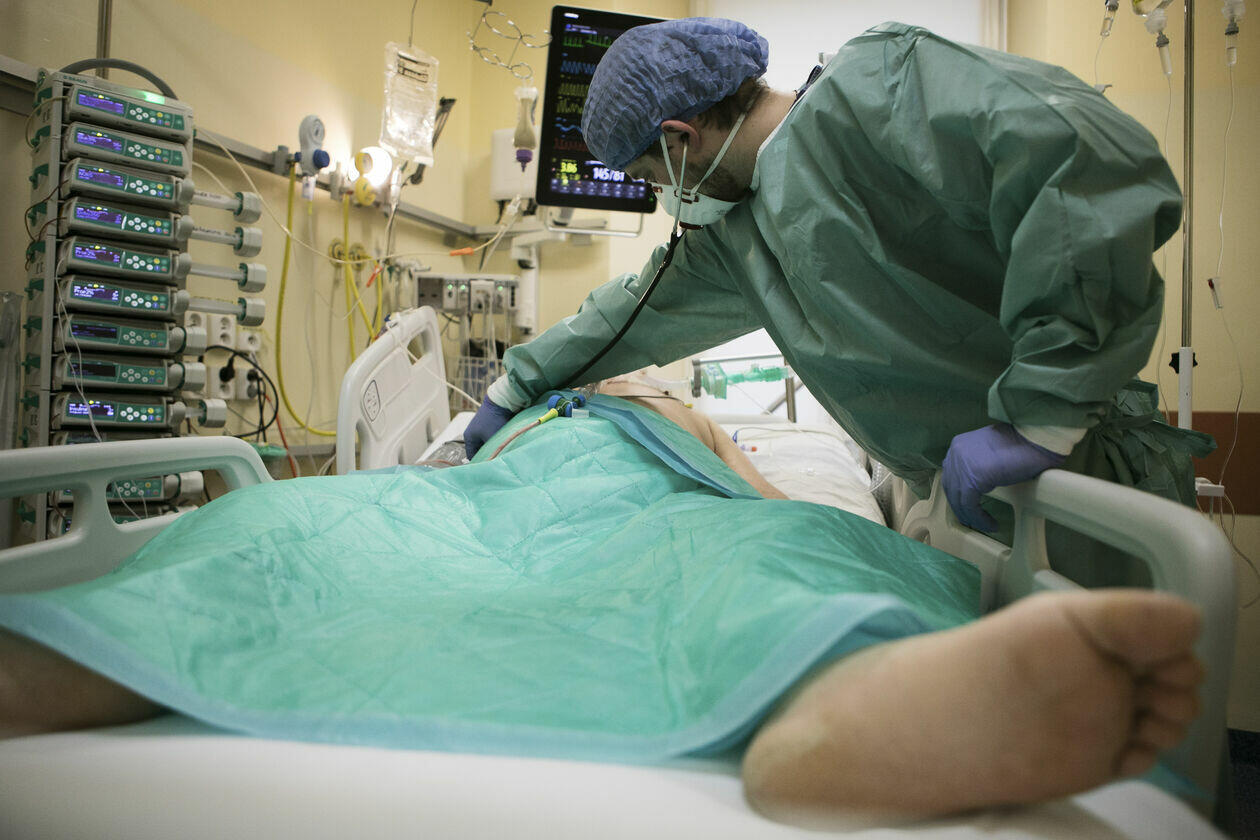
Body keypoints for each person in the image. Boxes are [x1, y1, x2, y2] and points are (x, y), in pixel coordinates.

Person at [0, 384, 1205, 822]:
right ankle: (71, 657)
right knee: (304, 521)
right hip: (491, 494)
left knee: (771, 547)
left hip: (659, 493)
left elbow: (763, 499)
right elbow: (458, 483)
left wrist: (751, 479)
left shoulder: (702, 424)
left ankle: (854, 700)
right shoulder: (533, 410)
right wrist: (500, 442)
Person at [463, 18, 1215, 583]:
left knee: (1133, 726)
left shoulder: (879, 92)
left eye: (653, 177)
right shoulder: (737, 238)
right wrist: (514, 384)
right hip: (973, 505)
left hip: (1077, 480)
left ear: (680, 137)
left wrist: (1042, 415)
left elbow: (1083, 166)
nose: (666, 197)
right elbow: (636, 312)